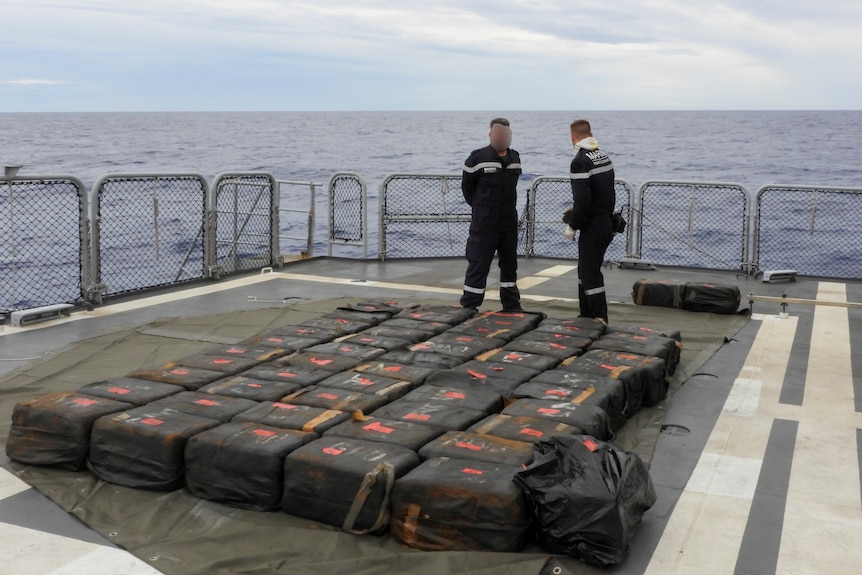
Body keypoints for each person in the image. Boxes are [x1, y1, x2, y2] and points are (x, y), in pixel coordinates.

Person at [460, 117, 523, 311]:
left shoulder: (515, 158)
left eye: (506, 134)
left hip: (508, 224)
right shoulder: (477, 158)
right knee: (478, 265)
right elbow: (467, 188)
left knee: (510, 266)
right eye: (499, 134)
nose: (503, 137)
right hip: (484, 225)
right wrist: (482, 208)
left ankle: (511, 305)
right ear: (491, 135)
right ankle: (470, 307)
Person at [565, 119, 615, 321]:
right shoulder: (602, 156)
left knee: (590, 273)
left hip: (593, 225)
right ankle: (585, 314)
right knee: (585, 269)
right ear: (590, 133)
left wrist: (573, 225)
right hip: (606, 221)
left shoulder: (579, 162)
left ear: (572, 137)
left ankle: (598, 317)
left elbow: (583, 200)